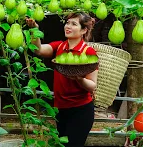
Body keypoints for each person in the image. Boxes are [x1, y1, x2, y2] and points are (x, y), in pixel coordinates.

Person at [26, 12, 98, 147]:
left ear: (84, 30)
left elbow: (92, 85)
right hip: (60, 109)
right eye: (67, 23)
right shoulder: (59, 46)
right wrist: (34, 29)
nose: (68, 26)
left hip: (80, 111)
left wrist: (79, 79)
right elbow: (39, 50)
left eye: (74, 24)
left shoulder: (88, 52)